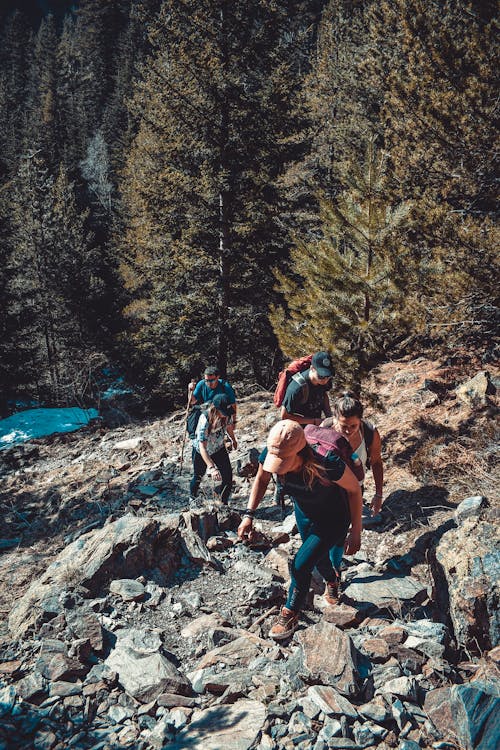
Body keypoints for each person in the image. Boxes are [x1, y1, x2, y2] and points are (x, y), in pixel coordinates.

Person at [237, 420, 362, 640]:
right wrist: (249, 515)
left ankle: (291, 612)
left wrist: (356, 531)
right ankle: (332, 580)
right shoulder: (270, 452)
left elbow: (354, 491)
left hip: (333, 518)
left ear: (300, 451)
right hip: (304, 512)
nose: (278, 465)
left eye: (284, 461)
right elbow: (262, 478)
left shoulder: (327, 463)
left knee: (300, 565)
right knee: (315, 557)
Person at [322, 392, 384, 583]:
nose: (348, 431)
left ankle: (334, 566)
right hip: (328, 487)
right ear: (334, 420)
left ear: (361, 421)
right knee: (332, 529)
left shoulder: (370, 433)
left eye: (353, 426)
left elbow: (376, 463)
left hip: (355, 489)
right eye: (343, 426)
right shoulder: (324, 429)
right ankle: (333, 569)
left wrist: (379, 494)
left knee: (342, 529)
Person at [190, 393, 237, 505]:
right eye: (223, 413)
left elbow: (229, 427)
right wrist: (212, 467)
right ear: (215, 409)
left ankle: (223, 502)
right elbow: (202, 447)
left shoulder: (227, 414)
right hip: (200, 450)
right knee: (198, 475)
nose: (225, 416)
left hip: (218, 447)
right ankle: (192, 497)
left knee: (227, 476)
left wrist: (233, 439)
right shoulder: (205, 419)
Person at [280, 351, 334, 426]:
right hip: (298, 428)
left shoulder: (324, 381)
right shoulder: (296, 388)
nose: (325, 379)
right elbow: (284, 416)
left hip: (315, 423)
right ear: (312, 368)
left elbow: (323, 395)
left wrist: (329, 417)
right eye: (321, 376)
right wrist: (314, 421)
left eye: (328, 376)